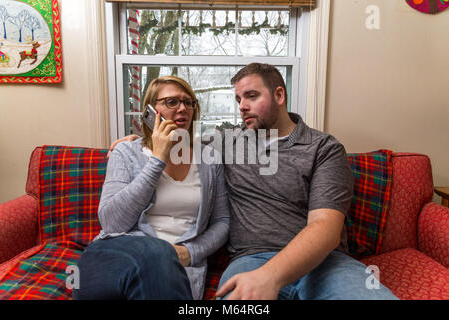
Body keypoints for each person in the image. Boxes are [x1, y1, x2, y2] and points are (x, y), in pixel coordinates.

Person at [110, 63, 398, 300]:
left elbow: (325, 228)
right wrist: (138, 140)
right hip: (250, 260)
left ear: (279, 95)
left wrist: (271, 276)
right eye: (238, 99)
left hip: (324, 262)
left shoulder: (323, 148)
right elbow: (175, 141)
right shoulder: (225, 143)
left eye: (251, 96)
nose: (242, 107)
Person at [73, 76, 230, 300]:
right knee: (155, 251)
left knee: (159, 262)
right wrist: (157, 159)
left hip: (176, 266)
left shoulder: (210, 159)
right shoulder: (126, 153)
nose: (183, 108)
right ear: (150, 110)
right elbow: (111, 222)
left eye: (189, 102)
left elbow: (222, 221)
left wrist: (190, 252)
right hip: (118, 254)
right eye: (171, 102)